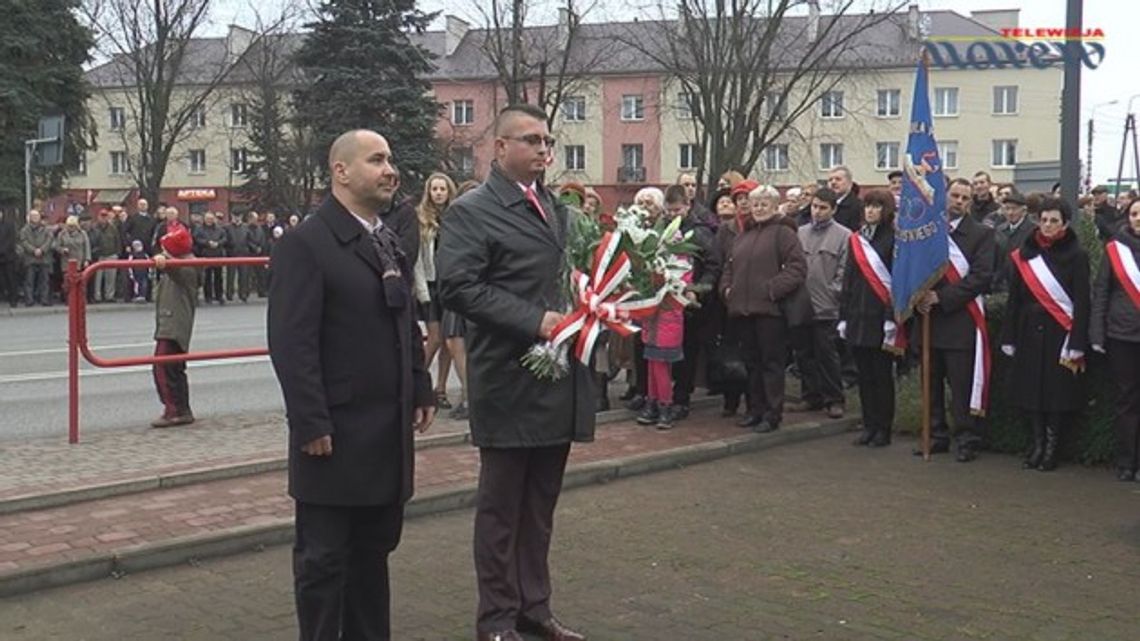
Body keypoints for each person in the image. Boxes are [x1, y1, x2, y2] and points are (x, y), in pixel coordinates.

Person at [268, 129, 435, 641]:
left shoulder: (385, 238)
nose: (392, 170)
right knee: (323, 563)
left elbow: (403, 318)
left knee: (371, 559)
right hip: (334, 437)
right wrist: (311, 420)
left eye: (391, 158)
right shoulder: (307, 243)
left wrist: (420, 383)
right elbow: (292, 343)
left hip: (384, 434)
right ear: (340, 171)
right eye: (377, 160)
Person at [436, 103, 593, 641]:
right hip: (507, 378)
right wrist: (536, 320)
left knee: (540, 507)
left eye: (548, 141)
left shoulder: (555, 208)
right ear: (499, 148)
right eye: (530, 140)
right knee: (501, 512)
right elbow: (458, 287)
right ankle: (497, 620)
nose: (543, 150)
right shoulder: (472, 211)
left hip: (554, 379)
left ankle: (535, 608)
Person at [1000, 197, 1089, 471]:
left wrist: (1077, 341)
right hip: (1028, 330)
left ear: (1065, 223)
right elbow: (1013, 299)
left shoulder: (1077, 254)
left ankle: (1051, 448)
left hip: (1058, 332)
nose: (1048, 226)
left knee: (1055, 393)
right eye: (1044, 220)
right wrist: (1009, 335)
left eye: (1054, 221)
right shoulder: (1025, 253)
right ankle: (1036, 444)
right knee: (1030, 391)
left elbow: (1083, 301)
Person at [914, 178, 996, 462]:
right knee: (931, 382)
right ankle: (936, 435)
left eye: (965, 198)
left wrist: (942, 298)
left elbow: (981, 276)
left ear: (971, 202)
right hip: (929, 321)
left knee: (961, 386)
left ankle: (966, 438)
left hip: (961, 320)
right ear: (945, 197)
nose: (958, 201)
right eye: (955, 196)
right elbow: (916, 267)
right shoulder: (930, 232)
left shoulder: (981, 235)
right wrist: (919, 296)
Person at [720, 183, 806, 432]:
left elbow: (797, 268)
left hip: (770, 312)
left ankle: (772, 413)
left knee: (771, 364)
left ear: (774, 206)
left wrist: (772, 290)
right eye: (754, 203)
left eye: (763, 204)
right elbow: (729, 266)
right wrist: (726, 289)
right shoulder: (743, 235)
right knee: (751, 364)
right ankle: (754, 409)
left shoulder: (783, 233)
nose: (758, 208)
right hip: (742, 310)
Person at [635, 185, 698, 429]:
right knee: (651, 362)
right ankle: (652, 401)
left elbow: (684, 277)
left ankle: (665, 405)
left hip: (669, 311)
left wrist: (670, 283)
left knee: (662, 364)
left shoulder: (681, 249)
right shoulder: (654, 240)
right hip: (652, 313)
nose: (671, 215)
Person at [840, 189, 898, 447]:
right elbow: (849, 280)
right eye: (868, 206)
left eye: (876, 206)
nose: (871, 211)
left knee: (881, 375)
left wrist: (891, 318)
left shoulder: (895, 239)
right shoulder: (857, 239)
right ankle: (869, 424)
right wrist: (844, 316)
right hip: (857, 316)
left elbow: (897, 282)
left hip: (880, 317)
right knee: (864, 375)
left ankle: (883, 428)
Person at [1090, 199, 1140, 481]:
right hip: (1122, 336)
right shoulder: (1114, 251)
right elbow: (1101, 293)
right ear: (1127, 218)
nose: (1138, 219)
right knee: (1126, 400)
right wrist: (1097, 334)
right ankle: (1126, 461)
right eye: (1134, 214)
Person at [789, 187, 849, 419]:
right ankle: (810, 396)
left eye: (823, 208)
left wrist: (833, 293)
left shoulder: (844, 236)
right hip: (800, 303)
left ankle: (834, 398)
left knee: (827, 354)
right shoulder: (799, 232)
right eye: (815, 206)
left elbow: (844, 273)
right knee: (803, 354)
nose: (817, 212)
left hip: (826, 306)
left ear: (833, 209)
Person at [414, 172, 458, 411]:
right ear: (428, 193)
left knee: (450, 341)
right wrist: (421, 291)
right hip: (430, 285)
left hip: (450, 285)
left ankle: (440, 389)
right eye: (434, 189)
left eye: (442, 189)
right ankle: (416, 381)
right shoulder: (422, 219)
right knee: (435, 338)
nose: (439, 193)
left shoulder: (456, 216)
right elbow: (418, 260)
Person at [149, 222, 199, 428]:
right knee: (173, 367)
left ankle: (174, 410)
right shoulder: (184, 264)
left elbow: (176, 271)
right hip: (170, 321)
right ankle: (182, 409)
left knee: (164, 367)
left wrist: (165, 260)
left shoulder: (187, 267)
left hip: (174, 324)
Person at [707, 186, 749, 417]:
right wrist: (724, 289)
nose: (742, 203)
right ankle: (730, 400)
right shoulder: (726, 230)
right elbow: (719, 262)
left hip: (755, 302)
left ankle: (755, 402)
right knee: (729, 354)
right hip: (728, 302)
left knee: (752, 354)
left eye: (746, 199)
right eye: (739, 199)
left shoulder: (763, 228)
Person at [992, 191, 1036, 293]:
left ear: (1024, 210)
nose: (1010, 213)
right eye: (1007, 209)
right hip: (1001, 285)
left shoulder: (1033, 231)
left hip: (1023, 285)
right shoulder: (999, 230)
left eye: (1014, 209)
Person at [18, 210, 53, 307]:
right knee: (29, 280)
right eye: (33, 216)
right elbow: (23, 241)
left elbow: (49, 240)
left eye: (37, 216)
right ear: (29, 218)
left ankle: (44, 299)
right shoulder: (24, 230)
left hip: (44, 257)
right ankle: (29, 300)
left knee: (44, 280)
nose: (35, 218)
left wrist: (42, 250)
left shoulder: (46, 229)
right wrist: (33, 250)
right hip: (30, 258)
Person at [54, 215, 91, 301]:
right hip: (66, 262)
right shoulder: (62, 234)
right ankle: (68, 299)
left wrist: (87, 259)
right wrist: (62, 250)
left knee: (80, 282)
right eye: (69, 226)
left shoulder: (83, 234)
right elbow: (56, 246)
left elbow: (86, 247)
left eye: (73, 226)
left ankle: (80, 298)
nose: (71, 228)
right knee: (67, 282)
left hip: (79, 261)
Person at [193, 212, 227, 304]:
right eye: (208, 218)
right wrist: (207, 243)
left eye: (211, 219)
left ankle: (219, 296)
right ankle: (208, 296)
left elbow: (224, 238)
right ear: (204, 219)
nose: (210, 220)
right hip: (205, 255)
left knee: (218, 277)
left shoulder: (219, 229)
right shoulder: (199, 229)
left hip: (217, 255)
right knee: (207, 277)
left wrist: (218, 243)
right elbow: (196, 239)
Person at [89, 209, 122, 303]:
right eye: (102, 216)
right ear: (98, 217)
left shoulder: (113, 228)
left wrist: (117, 253)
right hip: (99, 256)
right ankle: (97, 296)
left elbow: (118, 240)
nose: (103, 218)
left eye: (105, 216)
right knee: (97, 278)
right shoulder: (94, 228)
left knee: (111, 277)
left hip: (111, 254)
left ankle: (109, 296)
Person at [828, 166, 863, 231]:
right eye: (830, 180)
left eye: (838, 179)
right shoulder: (825, 205)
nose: (833, 182)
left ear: (850, 183)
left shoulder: (858, 206)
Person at [0, 211, 18, 307]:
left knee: (11, 279)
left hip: (8, 257)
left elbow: (11, 240)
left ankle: (13, 299)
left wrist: (2, 250)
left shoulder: (9, 225)